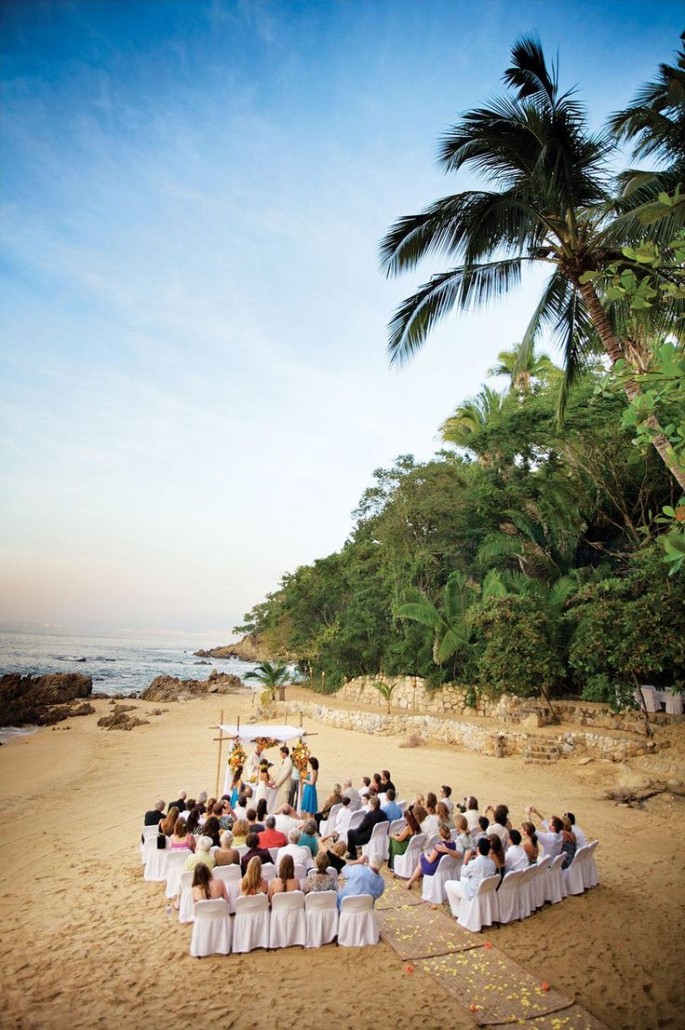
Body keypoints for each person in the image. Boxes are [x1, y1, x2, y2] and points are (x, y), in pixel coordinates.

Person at [445, 837, 497, 913]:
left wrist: (465, 859)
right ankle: (464, 907)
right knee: (463, 878)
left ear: (478, 848)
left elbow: (463, 872)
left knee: (448, 884)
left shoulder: (474, 863)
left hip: (471, 892)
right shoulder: (492, 863)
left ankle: (457, 912)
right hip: (484, 890)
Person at [405, 822, 457, 889]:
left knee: (422, 858)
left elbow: (430, 860)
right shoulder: (453, 844)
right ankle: (414, 879)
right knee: (422, 860)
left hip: (435, 868)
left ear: (440, 834)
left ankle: (409, 882)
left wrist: (425, 854)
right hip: (444, 866)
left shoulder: (439, 846)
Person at [388, 804, 424, 871]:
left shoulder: (408, 828)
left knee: (392, 840)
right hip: (412, 846)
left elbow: (400, 839)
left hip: (405, 846)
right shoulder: (417, 826)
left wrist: (392, 835)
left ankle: (392, 865)